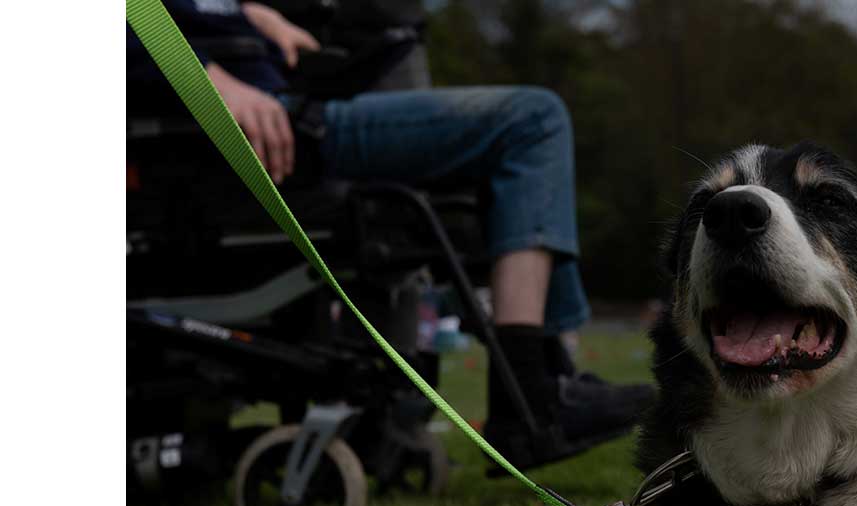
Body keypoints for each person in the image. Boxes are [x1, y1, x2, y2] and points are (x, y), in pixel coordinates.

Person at [127, 1, 653, 472]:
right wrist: (202, 74)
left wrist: (248, 16)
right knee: (534, 120)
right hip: (254, 141)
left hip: (285, 114)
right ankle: (530, 398)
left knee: (513, 154)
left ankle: (545, 376)